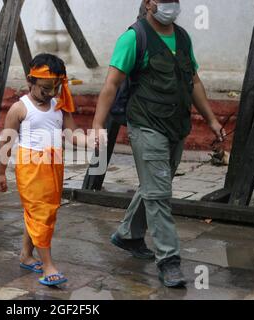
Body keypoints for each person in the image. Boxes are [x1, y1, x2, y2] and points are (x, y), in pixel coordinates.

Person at [92, 0, 226, 287]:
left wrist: (212, 120)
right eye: (165, 0)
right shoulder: (134, 37)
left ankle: (128, 234)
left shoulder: (183, 37)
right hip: (146, 124)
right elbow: (111, 84)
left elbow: (194, 82)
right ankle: (169, 261)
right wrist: (96, 125)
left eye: (175, 1)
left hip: (176, 126)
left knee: (154, 186)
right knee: (160, 194)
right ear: (149, 2)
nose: (172, 5)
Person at [0, 53, 87, 287]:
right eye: (45, 88)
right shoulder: (20, 108)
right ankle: (48, 266)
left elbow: (72, 134)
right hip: (30, 168)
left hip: (54, 165)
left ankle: (26, 255)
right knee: (40, 214)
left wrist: (89, 141)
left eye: (55, 88)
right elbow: (5, 143)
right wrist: (0, 172)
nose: (50, 94)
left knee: (45, 212)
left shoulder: (60, 106)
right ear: (30, 81)